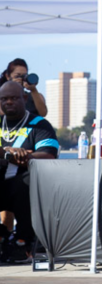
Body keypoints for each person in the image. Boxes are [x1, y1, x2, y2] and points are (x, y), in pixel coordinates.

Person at [0, 81, 58, 262]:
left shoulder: (40, 125)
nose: (9, 102)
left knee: (26, 181)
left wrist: (10, 155)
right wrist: (11, 153)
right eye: (4, 99)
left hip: (24, 188)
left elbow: (48, 156)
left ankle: (23, 241)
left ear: (24, 98)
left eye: (14, 98)